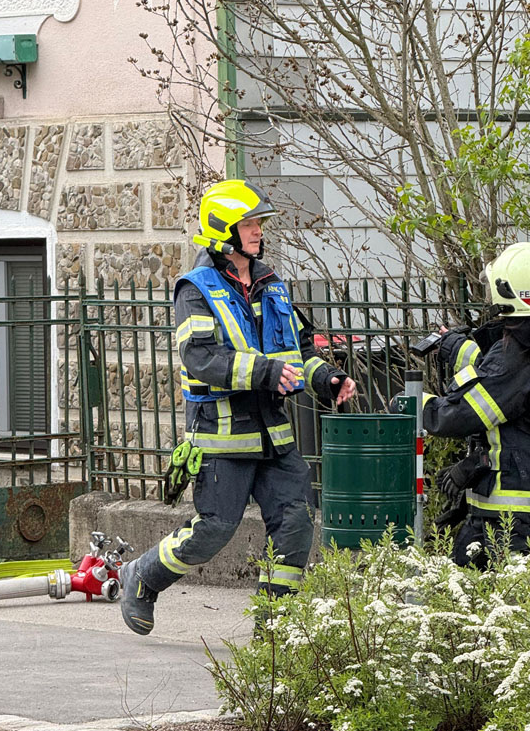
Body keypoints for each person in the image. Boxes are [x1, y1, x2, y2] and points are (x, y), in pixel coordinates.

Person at [119, 179, 356, 634]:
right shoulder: (196, 289)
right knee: (214, 530)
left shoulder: (271, 283)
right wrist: (267, 372)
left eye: (258, 223)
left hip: (275, 436)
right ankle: (142, 577)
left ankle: (274, 629)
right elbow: (201, 358)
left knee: (296, 522)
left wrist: (327, 378)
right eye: (248, 223)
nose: (257, 231)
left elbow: (296, 350)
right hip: (223, 437)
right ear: (222, 230)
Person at [423, 242, 530, 568]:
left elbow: (460, 415)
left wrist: (415, 403)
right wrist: (456, 347)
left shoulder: (513, 359)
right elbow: (497, 378)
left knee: (474, 596)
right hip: (523, 491)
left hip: (503, 508)